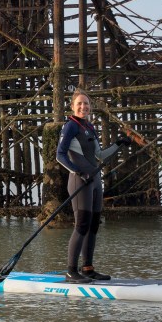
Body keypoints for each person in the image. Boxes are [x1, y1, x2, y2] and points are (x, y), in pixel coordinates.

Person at [55, 90, 131, 283]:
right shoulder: (70, 126)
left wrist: (118, 144)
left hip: (95, 180)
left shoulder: (89, 126)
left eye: (86, 104)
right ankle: (71, 271)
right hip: (80, 180)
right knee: (81, 225)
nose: (83, 107)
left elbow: (100, 156)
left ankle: (87, 268)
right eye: (79, 104)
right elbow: (60, 154)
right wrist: (77, 171)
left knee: (94, 226)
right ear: (72, 106)